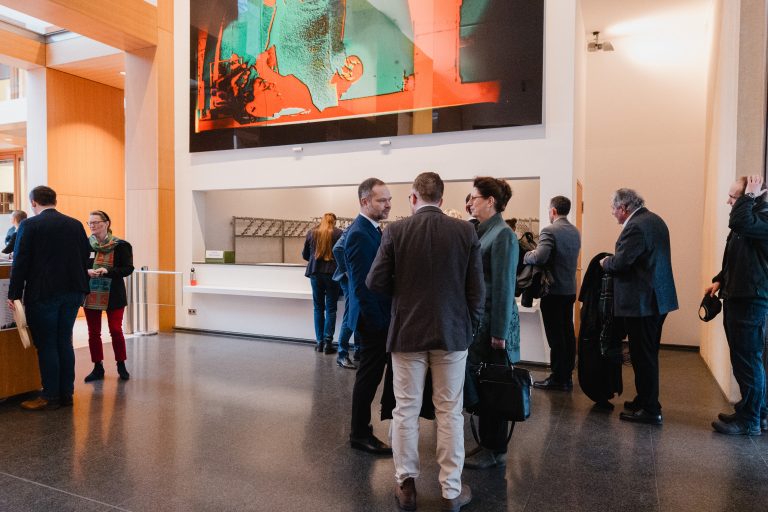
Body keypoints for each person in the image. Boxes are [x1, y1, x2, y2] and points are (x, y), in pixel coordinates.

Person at [367, 172, 483, 512]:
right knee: (450, 412)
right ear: (442, 200)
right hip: (453, 333)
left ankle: (406, 487)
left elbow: (374, 282)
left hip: (407, 332)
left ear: (413, 198)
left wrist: (404, 294)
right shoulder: (465, 231)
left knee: (406, 410)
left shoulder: (396, 231)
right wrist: (470, 327)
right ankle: (451, 492)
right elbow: (477, 290)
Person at [7, 186, 90, 410]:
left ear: (34, 202)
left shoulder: (30, 225)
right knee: (64, 341)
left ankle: (50, 396)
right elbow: (85, 256)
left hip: (44, 293)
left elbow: (20, 261)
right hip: (73, 292)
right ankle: (66, 394)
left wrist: (14, 294)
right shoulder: (75, 224)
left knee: (47, 344)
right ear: (55, 200)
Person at [600, 188, 678, 425]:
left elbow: (622, 263)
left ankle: (651, 409)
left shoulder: (635, 226)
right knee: (647, 353)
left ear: (623, 208)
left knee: (643, 356)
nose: (612, 213)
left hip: (643, 302)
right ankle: (644, 399)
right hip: (658, 299)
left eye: (613, 209)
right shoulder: (654, 220)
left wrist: (606, 262)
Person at [463, 176, 520, 469]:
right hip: (481, 323)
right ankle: (487, 443)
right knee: (484, 383)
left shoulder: (503, 235)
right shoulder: (484, 231)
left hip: (493, 326)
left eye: (474, 197)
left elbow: (503, 287)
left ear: (490, 201)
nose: (470, 202)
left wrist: (499, 333)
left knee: (495, 384)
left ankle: (495, 448)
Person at [708, 175, 768, 435]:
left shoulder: (761, 219)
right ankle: (756, 412)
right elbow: (739, 257)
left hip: (750, 302)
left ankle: (750, 421)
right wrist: (720, 279)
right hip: (740, 297)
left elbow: (738, 221)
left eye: (733, 197)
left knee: (748, 361)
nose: (729, 202)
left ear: (751, 198)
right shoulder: (750, 221)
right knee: (744, 359)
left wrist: (750, 194)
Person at [345, 177, 393, 454]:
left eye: (389, 199)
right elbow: (363, 286)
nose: (388, 204)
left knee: (370, 376)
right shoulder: (360, 234)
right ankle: (359, 433)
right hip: (372, 320)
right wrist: (379, 324)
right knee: (368, 377)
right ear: (365, 201)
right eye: (381, 200)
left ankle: (362, 429)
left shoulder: (371, 230)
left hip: (377, 317)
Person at [524, 196, 581, 391]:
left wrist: (526, 255)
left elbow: (540, 257)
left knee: (555, 337)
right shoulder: (575, 231)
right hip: (569, 290)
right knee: (567, 333)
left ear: (553, 211)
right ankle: (566, 376)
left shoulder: (549, 230)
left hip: (553, 291)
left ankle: (558, 378)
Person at [82, 210, 135, 383]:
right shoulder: (85, 245)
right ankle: (97, 367)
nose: (92, 226)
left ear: (106, 223)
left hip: (114, 294)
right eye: (90, 223)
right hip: (91, 294)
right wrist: (87, 272)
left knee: (115, 330)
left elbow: (128, 268)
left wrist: (108, 271)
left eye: (95, 222)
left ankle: (121, 364)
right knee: (93, 332)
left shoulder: (121, 245)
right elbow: (77, 266)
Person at [302, 212, 343, 354]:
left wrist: (315, 259)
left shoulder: (312, 232)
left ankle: (319, 342)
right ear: (334, 221)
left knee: (318, 308)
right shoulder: (339, 233)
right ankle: (328, 343)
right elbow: (342, 254)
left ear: (322, 220)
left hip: (315, 273)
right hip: (332, 275)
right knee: (331, 309)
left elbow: (305, 255)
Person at [332, 228, 358, 369]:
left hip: (358, 279)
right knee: (351, 314)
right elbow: (337, 249)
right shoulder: (355, 227)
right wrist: (347, 271)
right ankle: (342, 354)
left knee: (359, 314)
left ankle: (358, 351)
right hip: (349, 280)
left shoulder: (373, 229)